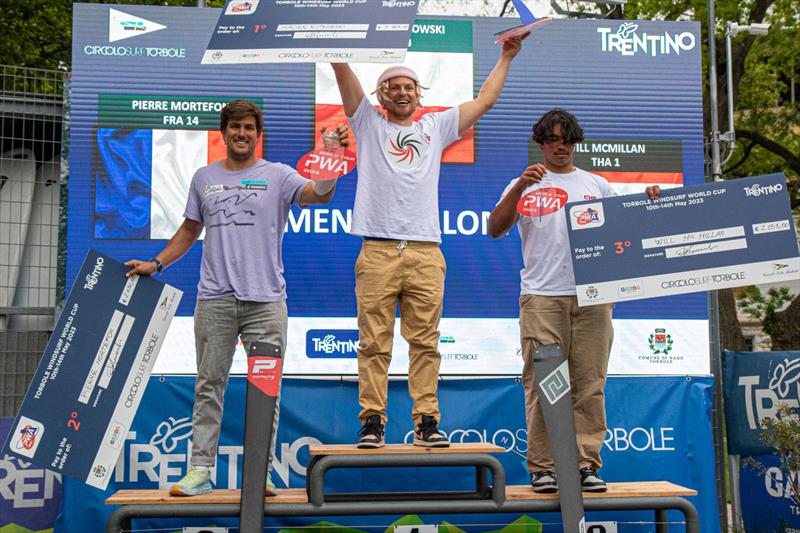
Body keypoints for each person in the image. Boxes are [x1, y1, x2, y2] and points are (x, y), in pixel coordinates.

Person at [125, 100, 348, 496]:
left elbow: (319, 196)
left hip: (265, 303)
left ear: (257, 134)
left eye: (248, 127)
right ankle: (200, 471)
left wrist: (331, 159)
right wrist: (156, 264)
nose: (241, 133)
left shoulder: (278, 175)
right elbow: (189, 231)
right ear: (223, 132)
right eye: (234, 127)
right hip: (214, 301)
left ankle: (258, 471)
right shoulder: (203, 177)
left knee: (265, 389)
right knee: (209, 385)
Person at [330, 34, 528, 449]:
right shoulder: (367, 122)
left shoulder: (435, 126)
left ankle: (426, 422)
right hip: (378, 249)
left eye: (408, 86)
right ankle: (372, 422)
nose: (401, 92)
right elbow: (341, 69)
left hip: (424, 252)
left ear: (419, 94)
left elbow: (485, 101)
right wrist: (335, 41)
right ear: (380, 95)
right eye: (393, 87)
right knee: (373, 343)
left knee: (426, 344)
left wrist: (507, 55)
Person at [488, 108, 659, 493]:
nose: (560, 146)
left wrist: (649, 203)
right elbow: (494, 229)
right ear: (541, 144)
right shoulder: (524, 183)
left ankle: (585, 464)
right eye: (552, 139)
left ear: (575, 142)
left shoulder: (596, 184)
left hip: (594, 298)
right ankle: (544, 467)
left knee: (589, 383)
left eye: (567, 139)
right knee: (542, 383)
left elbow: (625, 228)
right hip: (542, 297)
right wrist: (519, 189)